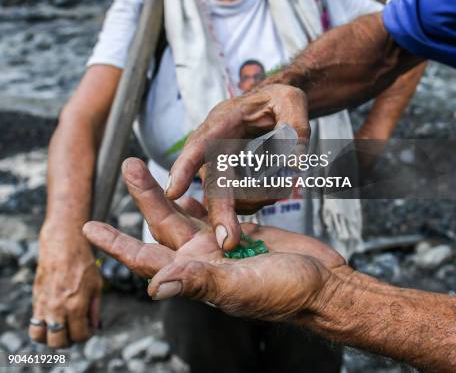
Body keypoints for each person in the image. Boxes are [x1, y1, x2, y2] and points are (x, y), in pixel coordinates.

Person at [30, 0, 424, 370]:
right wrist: (62, 240)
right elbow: (81, 120)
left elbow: (408, 44)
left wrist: (370, 145)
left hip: (311, 256)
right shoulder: (146, 9)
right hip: (186, 247)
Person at [166, 0, 455, 243]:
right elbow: (395, 41)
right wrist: (263, 101)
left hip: (312, 239)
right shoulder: (155, 5)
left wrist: (331, 290)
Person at [83, 158, 456, 373]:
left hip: (307, 242)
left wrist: (331, 292)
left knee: (307, 362)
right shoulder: (144, 22)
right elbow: (85, 115)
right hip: (195, 247)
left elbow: (398, 40)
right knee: (210, 353)